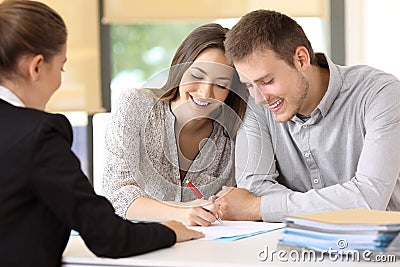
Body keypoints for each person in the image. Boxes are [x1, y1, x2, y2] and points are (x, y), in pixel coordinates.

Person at [0, 1, 203, 266]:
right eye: (61, 67)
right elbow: (108, 236)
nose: (60, 81)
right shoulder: (38, 135)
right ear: (36, 67)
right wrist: (171, 231)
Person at [216, 9, 400, 222]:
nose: (259, 98)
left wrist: (260, 207)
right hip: (292, 247)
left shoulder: (381, 94)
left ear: (301, 59)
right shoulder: (258, 106)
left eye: (267, 81)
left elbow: (368, 199)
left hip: (383, 248)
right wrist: (335, 203)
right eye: (249, 85)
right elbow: (254, 187)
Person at [103, 23, 247, 226]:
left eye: (221, 84)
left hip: (206, 248)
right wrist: (180, 212)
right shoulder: (135, 105)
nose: (206, 93)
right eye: (197, 76)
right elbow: (116, 194)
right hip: (142, 244)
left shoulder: (233, 132)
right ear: (180, 69)